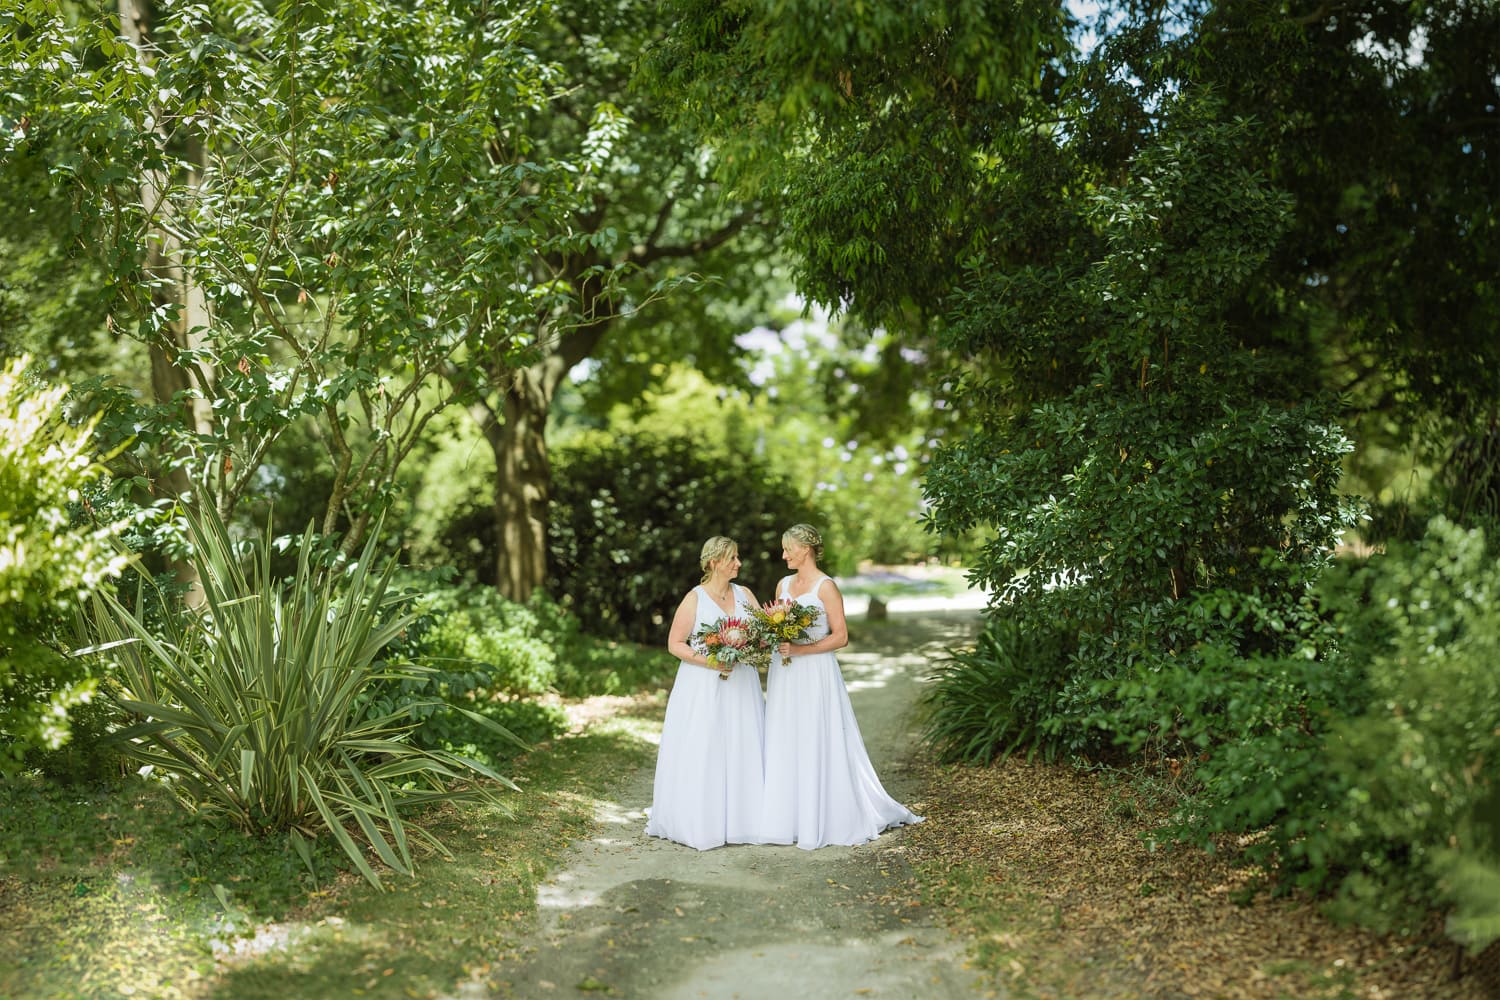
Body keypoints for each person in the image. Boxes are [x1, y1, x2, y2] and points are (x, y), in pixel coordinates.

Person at [760, 523, 921, 849]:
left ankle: (825, 815)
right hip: (785, 671)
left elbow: (840, 636)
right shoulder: (783, 585)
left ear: (804, 549)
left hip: (815, 671)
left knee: (816, 733)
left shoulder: (826, 587)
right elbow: (778, 627)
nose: (783, 554)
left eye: (787, 548)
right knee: (785, 734)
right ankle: (788, 816)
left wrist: (802, 648)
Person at [645, 536, 767, 850]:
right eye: (732, 559)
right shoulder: (694, 599)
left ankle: (744, 820)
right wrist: (711, 661)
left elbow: (763, 633)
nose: (738, 564)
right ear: (713, 562)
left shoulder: (745, 594)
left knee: (742, 743)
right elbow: (675, 644)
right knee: (707, 745)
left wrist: (760, 641)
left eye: (738, 557)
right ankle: (703, 819)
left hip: (742, 684)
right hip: (703, 685)